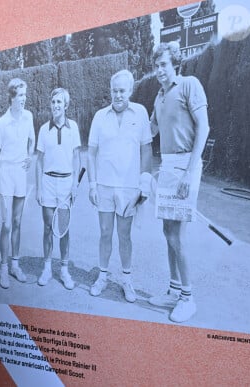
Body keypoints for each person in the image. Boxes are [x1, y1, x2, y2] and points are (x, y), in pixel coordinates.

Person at [148, 42, 210, 323]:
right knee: (167, 230)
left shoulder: (189, 84)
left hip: (187, 165)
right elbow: (150, 130)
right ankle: (174, 291)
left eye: (164, 64)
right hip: (168, 165)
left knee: (178, 235)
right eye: (156, 65)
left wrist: (190, 170)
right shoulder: (159, 97)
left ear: (175, 64)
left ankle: (188, 298)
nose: (159, 70)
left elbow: (204, 127)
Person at [87, 70, 152, 303]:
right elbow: (91, 152)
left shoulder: (141, 113)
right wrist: (92, 184)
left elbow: (146, 149)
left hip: (128, 188)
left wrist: (144, 182)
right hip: (104, 186)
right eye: (114, 90)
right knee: (105, 233)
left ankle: (126, 280)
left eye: (122, 90)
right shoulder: (99, 116)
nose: (118, 95)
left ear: (130, 91)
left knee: (124, 236)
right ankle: (102, 276)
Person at [0, 77, 35, 289]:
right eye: (20, 96)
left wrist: (30, 155)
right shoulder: (2, 122)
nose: (24, 99)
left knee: (17, 223)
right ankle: (5, 268)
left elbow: (32, 140)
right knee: (6, 224)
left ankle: (15, 266)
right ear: (12, 98)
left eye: (25, 95)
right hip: (5, 174)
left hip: (21, 175)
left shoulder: (29, 117)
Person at [35, 88, 81, 289]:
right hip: (47, 183)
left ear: (66, 105)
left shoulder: (74, 128)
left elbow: (78, 157)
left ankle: (64, 270)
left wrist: (75, 185)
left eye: (59, 102)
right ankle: (47, 268)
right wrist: (37, 188)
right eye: (53, 102)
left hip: (65, 184)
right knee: (47, 228)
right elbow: (39, 161)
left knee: (63, 229)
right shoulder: (44, 129)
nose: (55, 105)